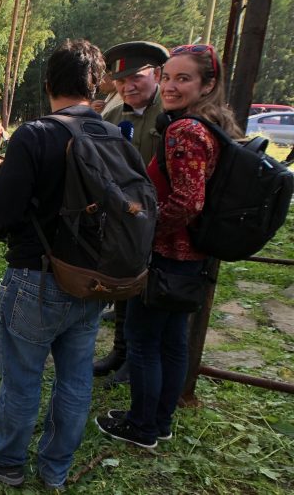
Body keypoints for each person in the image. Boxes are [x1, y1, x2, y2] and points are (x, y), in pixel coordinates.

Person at [0, 39, 109, 489]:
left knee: (22, 378)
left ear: (47, 84)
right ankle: (55, 468)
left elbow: (0, 219)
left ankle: (6, 461)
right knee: (76, 380)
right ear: (95, 85)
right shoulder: (109, 134)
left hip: (36, 279)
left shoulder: (35, 134)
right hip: (92, 280)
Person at [95, 44, 241, 450]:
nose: (173, 86)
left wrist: (146, 230)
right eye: (170, 77)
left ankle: (142, 426)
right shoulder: (208, 123)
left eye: (185, 78)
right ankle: (160, 421)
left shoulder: (186, 130)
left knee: (143, 342)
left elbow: (187, 202)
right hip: (190, 255)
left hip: (167, 255)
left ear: (207, 84)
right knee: (173, 340)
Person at [95, 41, 170, 386]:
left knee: (152, 292)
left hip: (166, 221)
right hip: (126, 219)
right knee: (125, 282)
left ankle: (137, 360)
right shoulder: (112, 115)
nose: (127, 87)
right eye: (120, 81)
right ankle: (120, 352)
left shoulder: (172, 113)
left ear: (156, 75)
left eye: (136, 78)